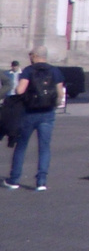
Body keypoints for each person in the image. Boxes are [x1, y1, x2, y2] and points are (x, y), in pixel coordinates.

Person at [4, 51, 66, 190]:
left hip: (29, 113)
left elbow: (20, 90)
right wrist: (54, 105)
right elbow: (60, 93)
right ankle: (41, 182)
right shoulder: (55, 71)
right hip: (47, 113)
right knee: (44, 147)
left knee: (21, 146)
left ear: (34, 56)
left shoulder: (28, 70)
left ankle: (14, 180)